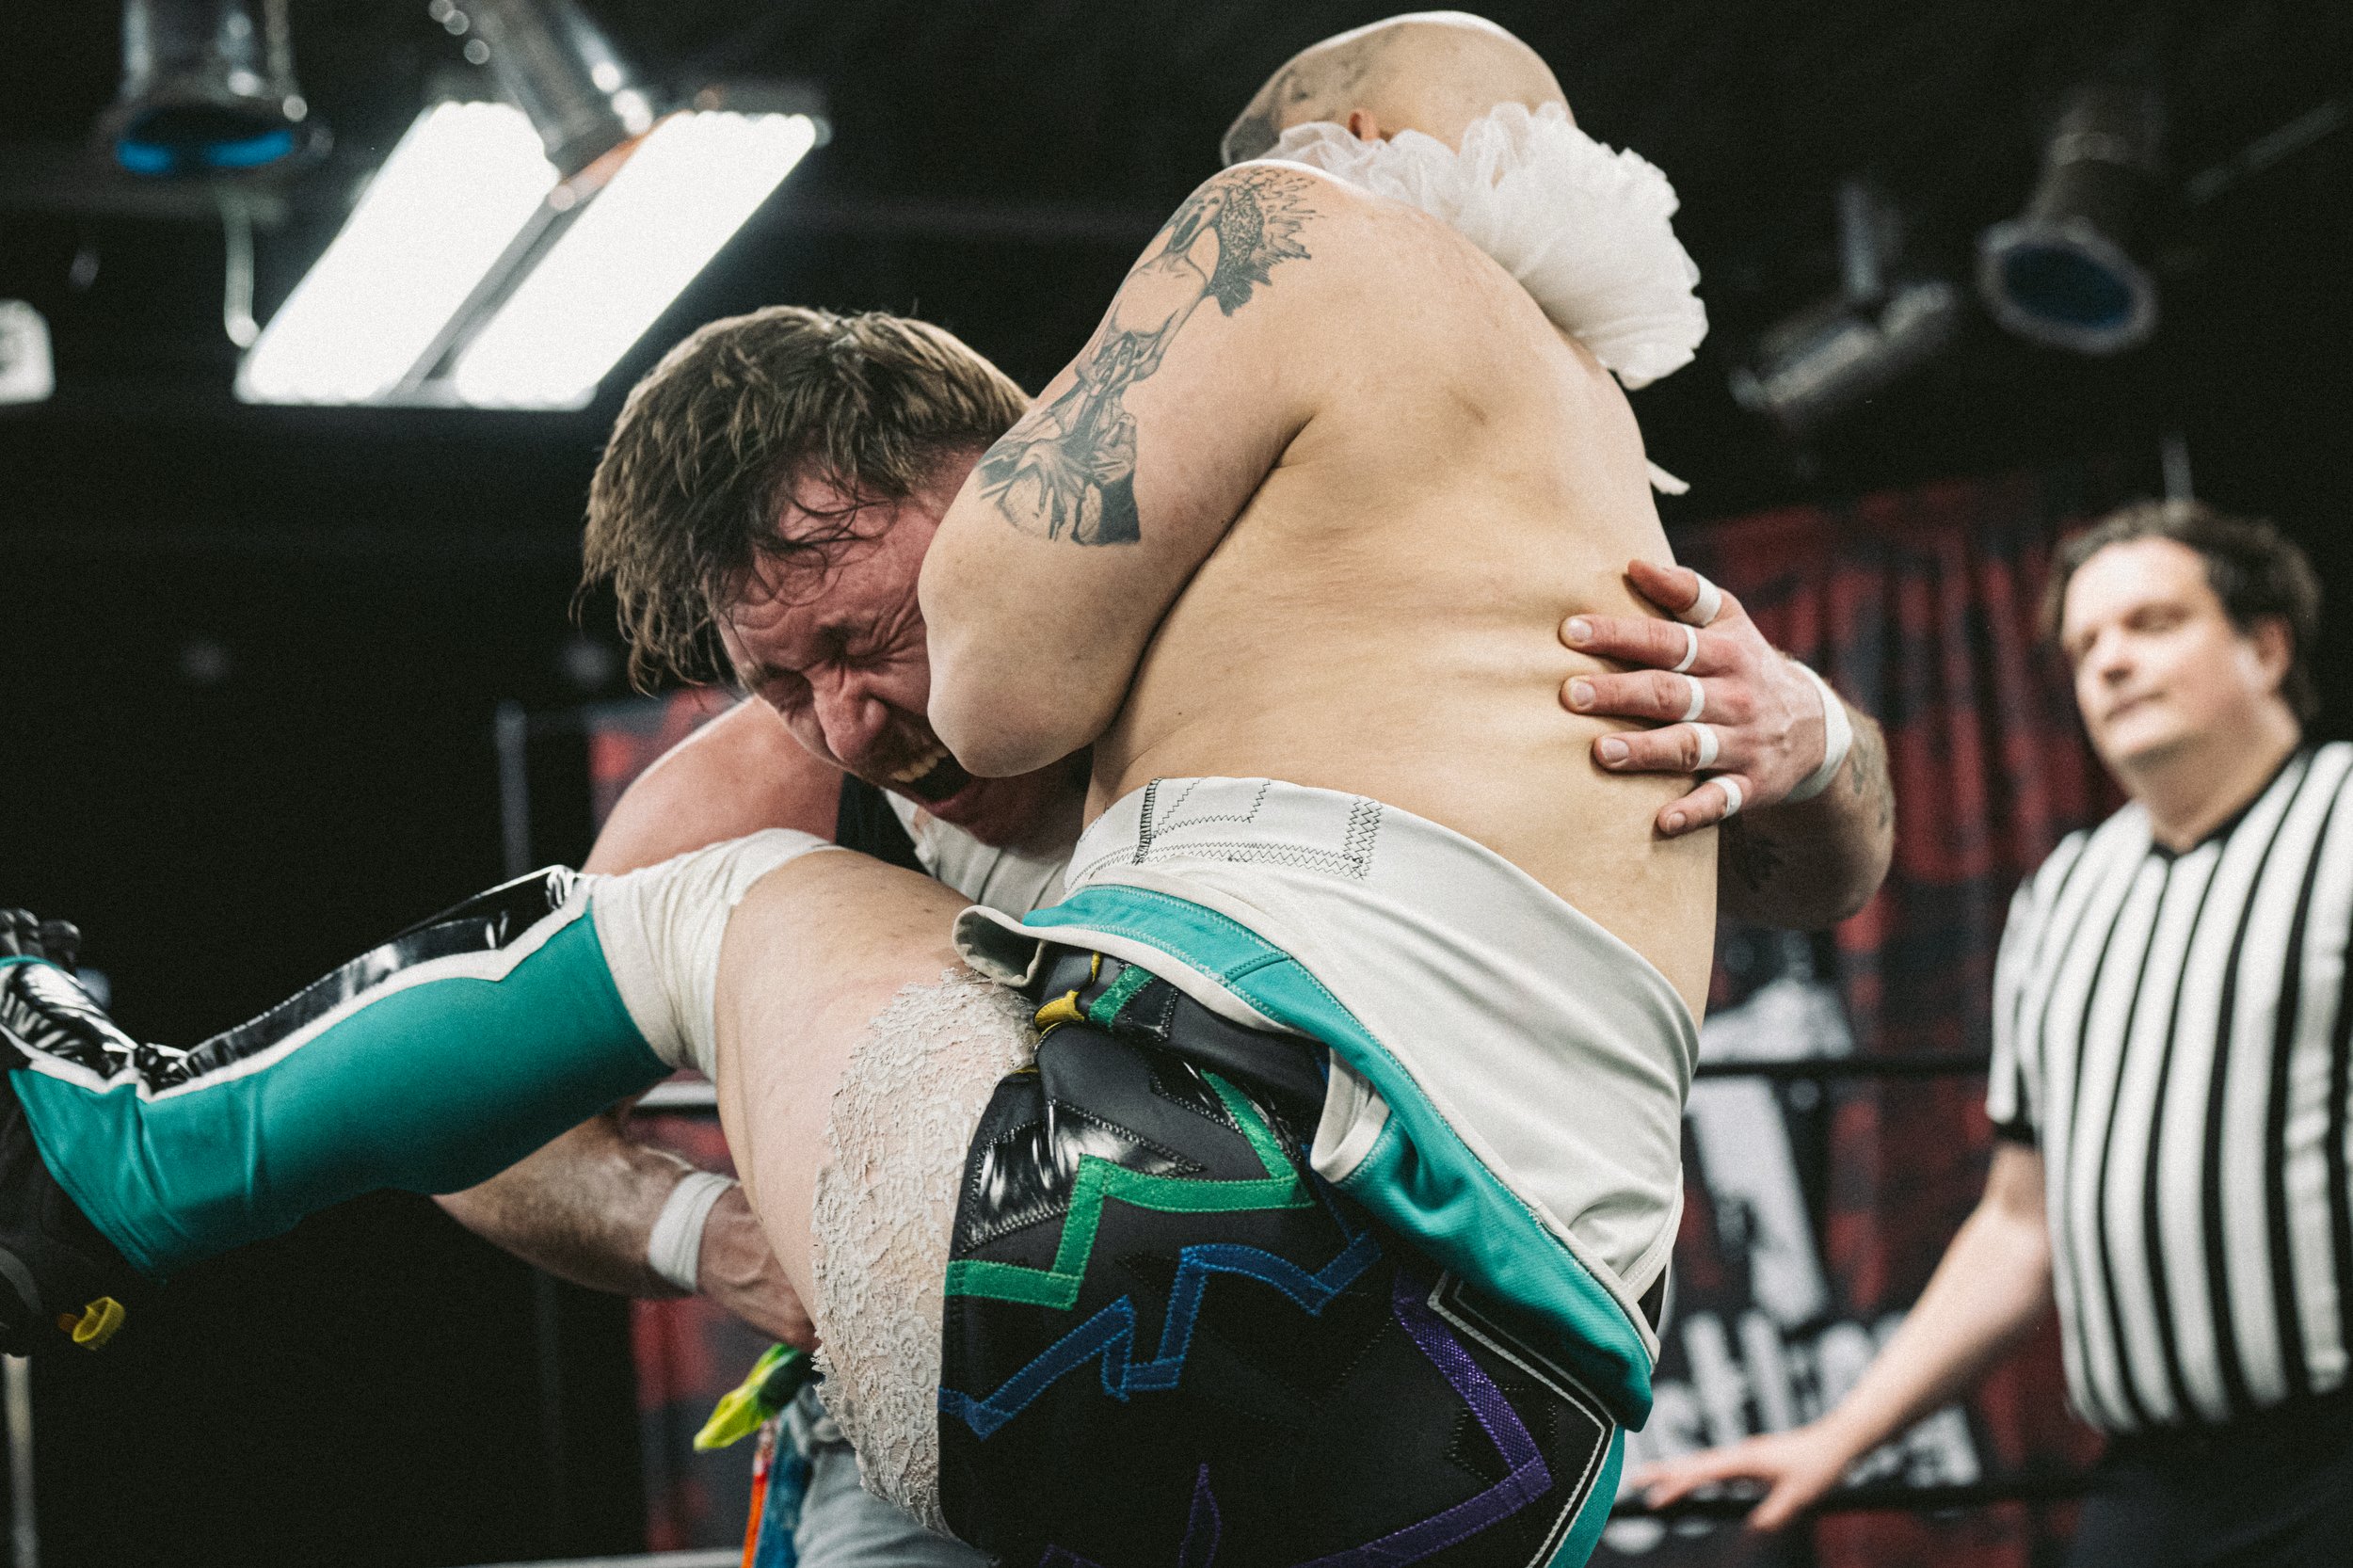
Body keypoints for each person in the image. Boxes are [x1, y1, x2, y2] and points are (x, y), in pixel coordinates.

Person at [0, 21, 1896, 1564]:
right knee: (680, 901)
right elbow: (473, 1121)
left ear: (1014, 478)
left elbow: (1826, 866)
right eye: (777, 676)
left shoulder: (1283, 572)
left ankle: (128, 1157)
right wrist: (711, 1235)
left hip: (1242, 1260)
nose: (849, 719)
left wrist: (1808, 731)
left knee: (707, 919)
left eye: (864, 630)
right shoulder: (787, 769)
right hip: (1462, 1407)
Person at [1632, 499, 2352, 1565]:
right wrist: (1839, 1438)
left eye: (2152, 624)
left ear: (2266, 646)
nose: (2111, 662)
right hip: (2152, 1483)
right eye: (2086, 645)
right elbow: (2021, 1224)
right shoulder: (2066, 896)